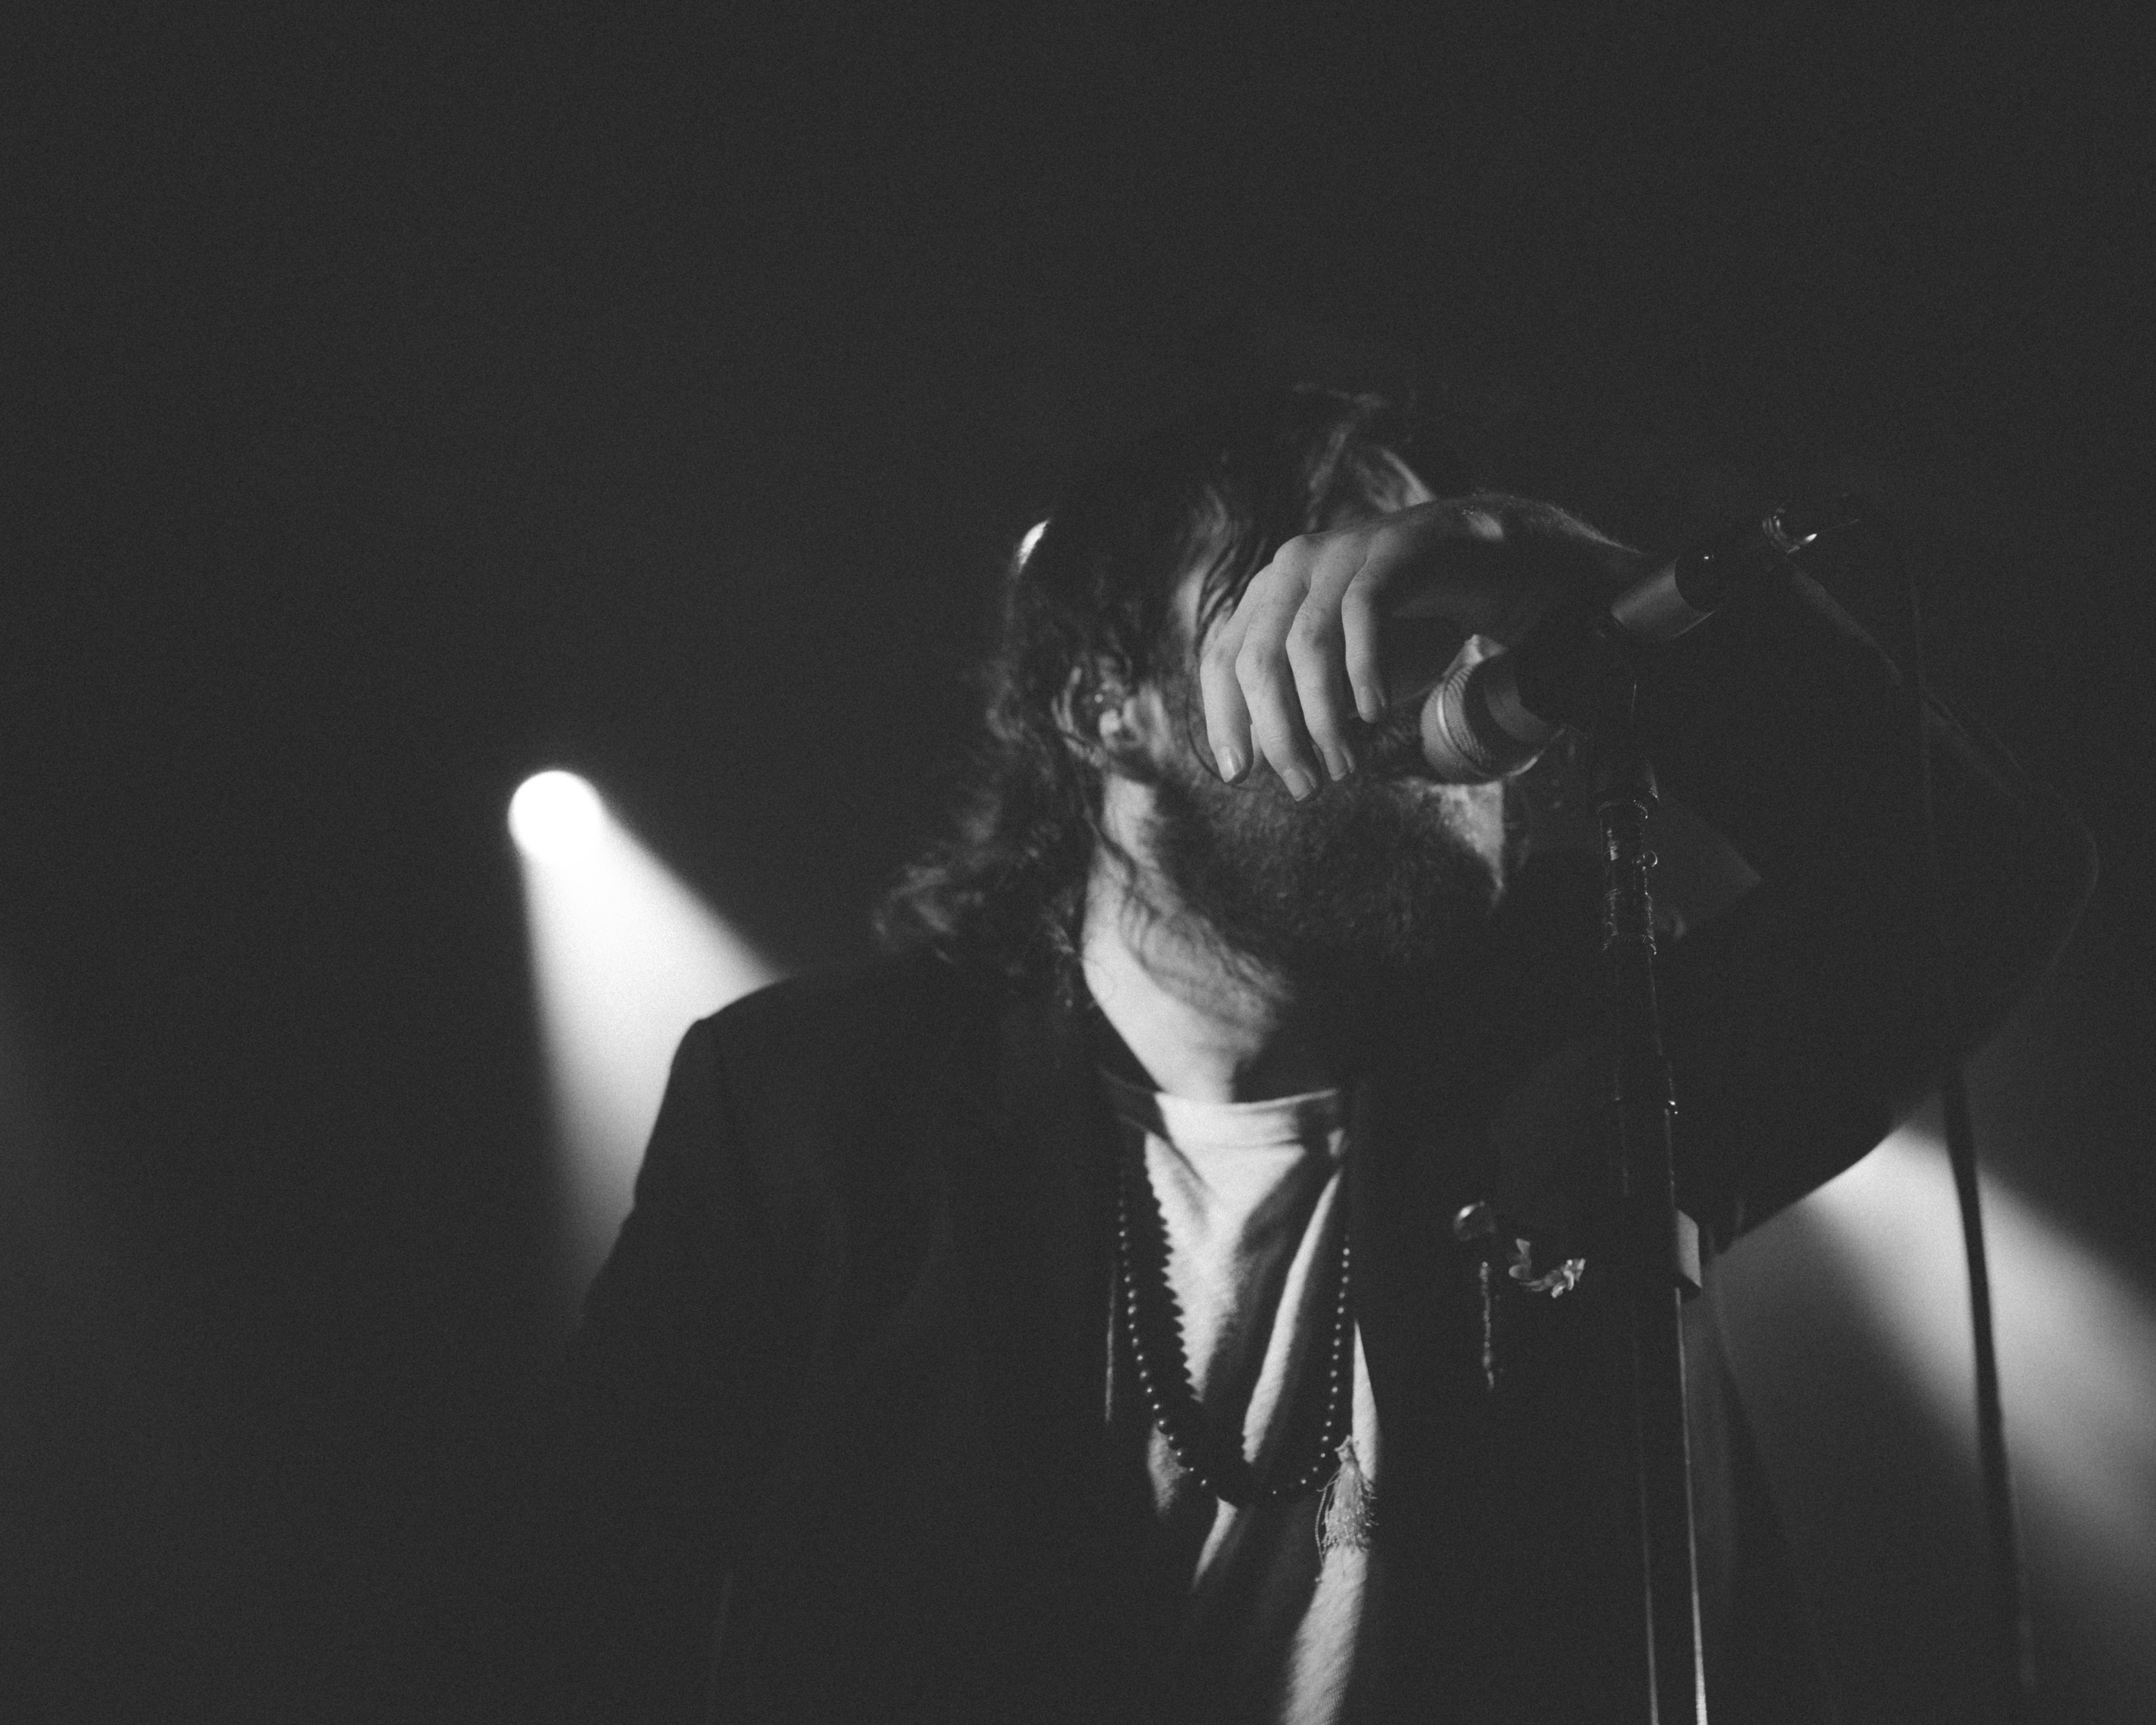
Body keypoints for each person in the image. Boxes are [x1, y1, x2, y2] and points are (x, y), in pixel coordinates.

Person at [543, 388, 2092, 1723]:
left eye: (1436, 605)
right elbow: (595, 1611)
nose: (1436, 663)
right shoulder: (820, 1107)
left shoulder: (1581, 1040)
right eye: (1319, 604)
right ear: (1106, 707)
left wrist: (1556, 568)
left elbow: (1977, 875)